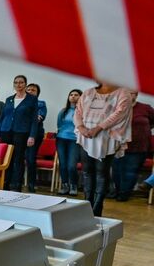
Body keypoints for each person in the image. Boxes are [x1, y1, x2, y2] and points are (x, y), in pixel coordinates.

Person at [74, 83, 133, 216]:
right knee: (87, 171)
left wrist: (98, 128)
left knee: (101, 173)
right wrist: (81, 127)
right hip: (86, 136)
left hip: (106, 137)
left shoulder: (123, 93)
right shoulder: (88, 92)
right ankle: (86, 205)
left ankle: (98, 206)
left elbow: (119, 113)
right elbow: (78, 111)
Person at [0, 75, 39, 192]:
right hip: (6, 131)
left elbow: (34, 120)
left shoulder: (32, 99)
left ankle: (16, 185)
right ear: (13, 84)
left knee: (18, 160)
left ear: (25, 84)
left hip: (21, 132)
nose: (18, 85)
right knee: (6, 159)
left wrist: (32, 136)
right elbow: (2, 117)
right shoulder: (9, 99)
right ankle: (5, 183)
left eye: (21, 82)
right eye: (16, 83)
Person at [111, 91, 154, 201]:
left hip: (139, 145)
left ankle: (124, 193)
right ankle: (117, 191)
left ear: (136, 95)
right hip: (118, 145)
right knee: (117, 170)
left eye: (133, 93)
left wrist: (145, 130)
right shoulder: (116, 108)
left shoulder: (145, 108)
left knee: (131, 170)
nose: (130, 95)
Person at [56, 89, 82, 196]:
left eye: (76, 95)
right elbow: (59, 124)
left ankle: (73, 185)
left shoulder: (82, 112)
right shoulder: (63, 111)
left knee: (71, 165)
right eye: (71, 94)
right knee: (63, 164)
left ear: (81, 98)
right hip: (61, 139)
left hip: (75, 140)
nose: (73, 96)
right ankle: (65, 185)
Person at [24, 83, 47, 192]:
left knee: (30, 159)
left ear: (37, 93)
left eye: (33, 90)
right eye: (28, 89)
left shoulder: (41, 103)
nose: (30, 91)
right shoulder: (21, 102)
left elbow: (38, 118)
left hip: (35, 134)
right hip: (21, 134)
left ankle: (31, 183)